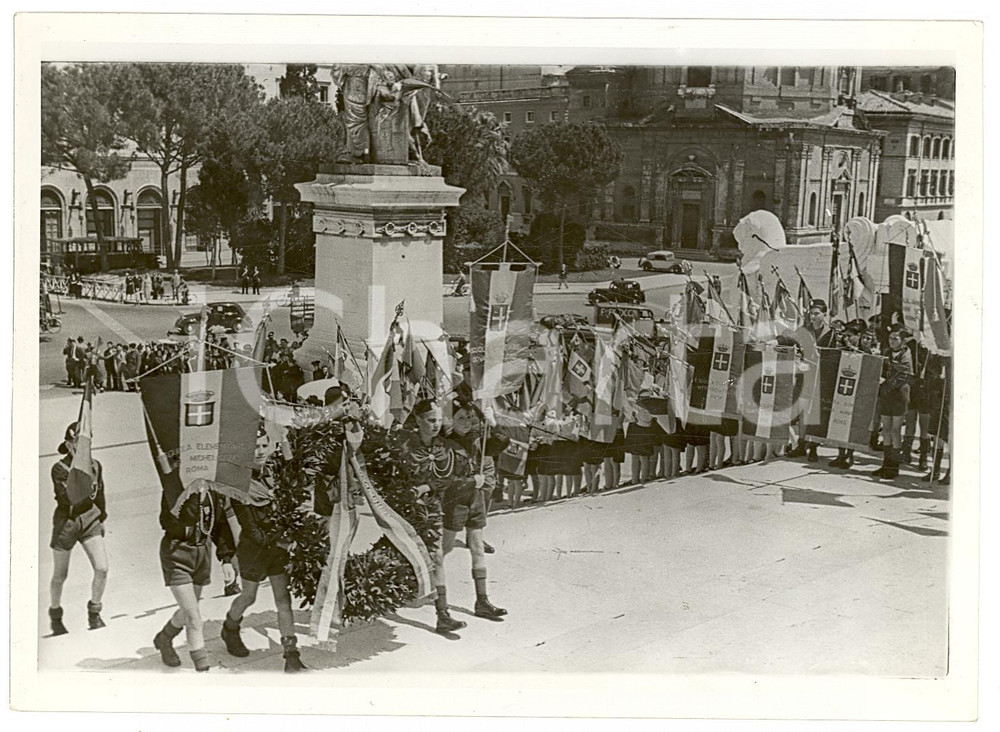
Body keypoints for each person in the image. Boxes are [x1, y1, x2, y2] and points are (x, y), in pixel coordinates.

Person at [395, 399, 506, 635]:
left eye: (470, 418)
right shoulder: (445, 444)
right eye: (461, 418)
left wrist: (493, 423)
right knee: (441, 552)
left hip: (474, 499)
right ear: (450, 420)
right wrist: (469, 481)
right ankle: (425, 588)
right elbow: (443, 480)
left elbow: (500, 444)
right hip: (454, 502)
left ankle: (482, 600)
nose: (468, 423)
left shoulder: (477, 439)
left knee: (476, 547)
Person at [219, 426, 306, 672]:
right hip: (254, 549)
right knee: (249, 597)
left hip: (276, 546)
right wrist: (283, 541)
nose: (259, 451)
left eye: (264, 446)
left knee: (283, 600)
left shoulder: (274, 474)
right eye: (254, 447)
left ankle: (291, 653)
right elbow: (252, 530)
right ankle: (230, 628)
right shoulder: (238, 482)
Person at [152, 483, 236, 672]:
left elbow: (219, 527)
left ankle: (164, 637)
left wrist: (226, 559)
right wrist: (191, 497)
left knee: (189, 609)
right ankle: (202, 669)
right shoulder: (173, 489)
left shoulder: (214, 493)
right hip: (177, 553)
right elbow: (167, 521)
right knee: (194, 619)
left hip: (201, 553)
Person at [48, 422, 109, 635]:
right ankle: (55, 614)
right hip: (68, 522)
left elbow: (99, 494)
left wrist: (102, 518)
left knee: (102, 568)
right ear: (69, 444)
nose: (83, 448)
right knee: (60, 575)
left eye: (86, 443)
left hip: (90, 518)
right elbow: (66, 499)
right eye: (78, 444)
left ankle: (94, 611)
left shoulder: (96, 465)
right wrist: (79, 474)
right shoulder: (60, 468)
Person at [871, 326, 914, 480]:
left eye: (895, 339)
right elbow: (881, 369)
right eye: (890, 338)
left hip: (898, 394)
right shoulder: (887, 353)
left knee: (895, 430)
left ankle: (894, 466)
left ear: (903, 341)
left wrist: (885, 384)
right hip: (886, 394)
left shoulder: (906, 354)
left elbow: (903, 375)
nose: (892, 341)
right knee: (886, 430)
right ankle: (885, 464)